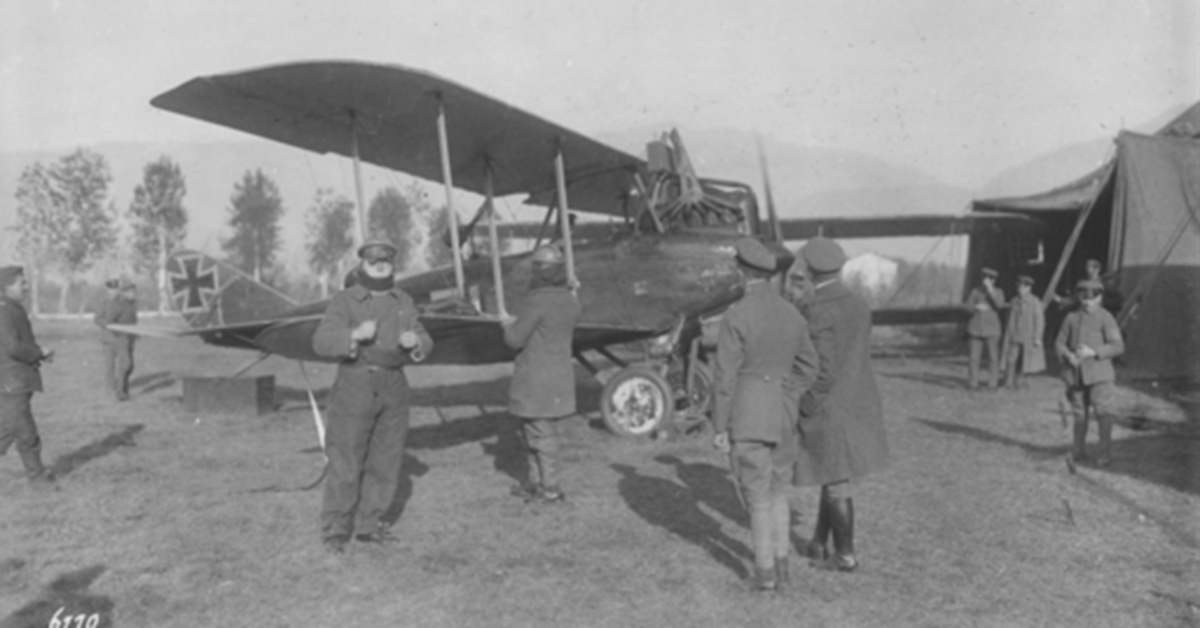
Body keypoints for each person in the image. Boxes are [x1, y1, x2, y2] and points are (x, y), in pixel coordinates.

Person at [311, 239, 433, 554]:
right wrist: (352, 335)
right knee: (346, 459)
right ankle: (336, 529)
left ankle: (369, 524)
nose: (380, 266)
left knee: (387, 459)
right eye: (373, 261)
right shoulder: (345, 301)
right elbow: (321, 341)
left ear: (393, 264)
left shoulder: (403, 299)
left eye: (386, 261)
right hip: (355, 383)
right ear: (362, 264)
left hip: (394, 385)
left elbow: (424, 336)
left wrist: (416, 340)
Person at [712, 238, 817, 591]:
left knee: (756, 497)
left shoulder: (736, 314)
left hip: (748, 416)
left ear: (742, 274)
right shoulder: (792, 313)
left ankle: (765, 574)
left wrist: (719, 426)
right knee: (778, 493)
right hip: (783, 416)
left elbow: (725, 378)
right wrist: (787, 395)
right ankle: (783, 567)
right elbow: (809, 367)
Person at [791, 237, 889, 573]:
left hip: (831, 408)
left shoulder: (818, 309)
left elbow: (824, 369)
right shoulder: (859, 303)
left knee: (835, 480)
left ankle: (845, 555)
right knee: (832, 473)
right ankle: (819, 542)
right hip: (858, 402)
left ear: (811, 270)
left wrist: (804, 403)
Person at [501, 244, 582, 504]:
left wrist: (506, 324)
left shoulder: (535, 301)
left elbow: (514, 339)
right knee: (536, 431)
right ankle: (536, 483)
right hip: (558, 377)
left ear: (537, 271)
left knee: (539, 434)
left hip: (535, 379)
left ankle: (550, 488)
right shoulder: (569, 300)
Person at [1055, 278, 1124, 467]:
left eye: (1092, 298)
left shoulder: (1106, 317)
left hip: (1100, 375)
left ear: (1100, 298)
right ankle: (1078, 451)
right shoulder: (1071, 317)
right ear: (1078, 297)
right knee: (1079, 413)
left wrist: (1094, 352)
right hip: (1076, 375)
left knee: (1103, 413)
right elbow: (1059, 342)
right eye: (1083, 297)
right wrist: (1068, 355)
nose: (1087, 302)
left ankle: (1104, 454)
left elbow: (1118, 346)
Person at [0, 266, 56, 487]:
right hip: (12, 380)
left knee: (10, 430)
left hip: (16, 378)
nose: (26, 286)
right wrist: (38, 352)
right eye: (21, 283)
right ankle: (37, 477)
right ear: (6, 286)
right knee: (23, 431)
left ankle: (37, 475)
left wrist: (38, 353)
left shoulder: (12, 308)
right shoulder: (4, 310)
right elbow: (13, 347)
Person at [93, 277, 138, 401]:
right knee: (110, 366)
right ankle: (113, 390)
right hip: (110, 338)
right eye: (111, 289)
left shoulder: (128, 303)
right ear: (108, 290)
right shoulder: (105, 302)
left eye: (116, 289)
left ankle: (120, 389)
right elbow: (99, 320)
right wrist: (109, 326)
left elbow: (132, 320)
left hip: (123, 338)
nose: (114, 292)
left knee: (126, 365)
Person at [963, 267, 1005, 391]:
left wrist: (991, 290)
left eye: (988, 279)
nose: (984, 281)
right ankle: (973, 383)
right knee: (974, 358)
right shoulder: (975, 291)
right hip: (975, 329)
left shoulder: (998, 292)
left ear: (993, 281)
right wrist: (976, 307)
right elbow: (966, 307)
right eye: (984, 278)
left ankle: (992, 384)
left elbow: (1000, 304)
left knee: (993, 358)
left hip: (992, 330)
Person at [1002, 275, 1046, 390]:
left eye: (1022, 287)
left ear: (1028, 288)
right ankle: (1008, 383)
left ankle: (1020, 382)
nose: (1019, 289)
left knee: (1025, 361)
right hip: (1015, 335)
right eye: (1018, 287)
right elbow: (1009, 318)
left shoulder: (1035, 302)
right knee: (1011, 359)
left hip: (1028, 337)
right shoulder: (1014, 301)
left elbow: (1039, 321)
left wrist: (1037, 337)